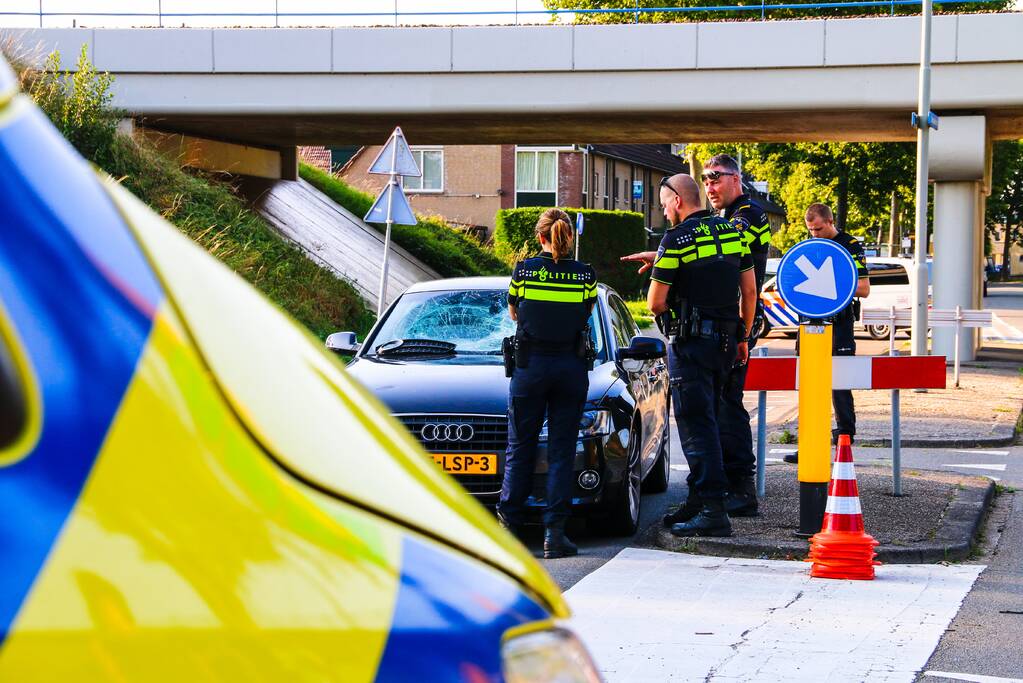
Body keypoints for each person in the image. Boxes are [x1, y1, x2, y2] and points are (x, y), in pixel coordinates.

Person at [624, 174, 757, 537]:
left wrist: (671, 306)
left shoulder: (675, 239)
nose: (664, 211)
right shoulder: (733, 233)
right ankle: (698, 501)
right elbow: (749, 291)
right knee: (714, 417)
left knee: (697, 427)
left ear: (678, 201)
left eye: (664, 204)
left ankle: (712, 511)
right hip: (727, 343)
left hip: (691, 346)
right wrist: (743, 335)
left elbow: (655, 302)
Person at [498, 208, 598, 558]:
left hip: (530, 367)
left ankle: (509, 532)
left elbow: (514, 312)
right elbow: (586, 314)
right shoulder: (585, 275)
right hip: (570, 368)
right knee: (561, 451)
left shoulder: (524, 271)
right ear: (569, 236)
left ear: (540, 236)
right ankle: (554, 535)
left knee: (520, 447)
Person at [702, 154, 772, 517]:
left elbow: (723, 247)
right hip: (728, 323)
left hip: (736, 325)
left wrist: (672, 248)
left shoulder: (749, 214)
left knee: (728, 405)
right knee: (719, 405)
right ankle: (728, 484)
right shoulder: (726, 216)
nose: (710, 186)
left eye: (716, 178)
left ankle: (742, 488)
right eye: (705, 180)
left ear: (735, 179)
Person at [783, 203, 870, 464]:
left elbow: (864, 288)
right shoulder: (810, 247)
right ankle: (810, 443)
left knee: (839, 385)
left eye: (819, 229)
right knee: (809, 386)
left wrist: (830, 286)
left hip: (839, 326)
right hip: (809, 326)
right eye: (810, 230)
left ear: (831, 222)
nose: (814, 235)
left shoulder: (850, 246)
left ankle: (845, 441)